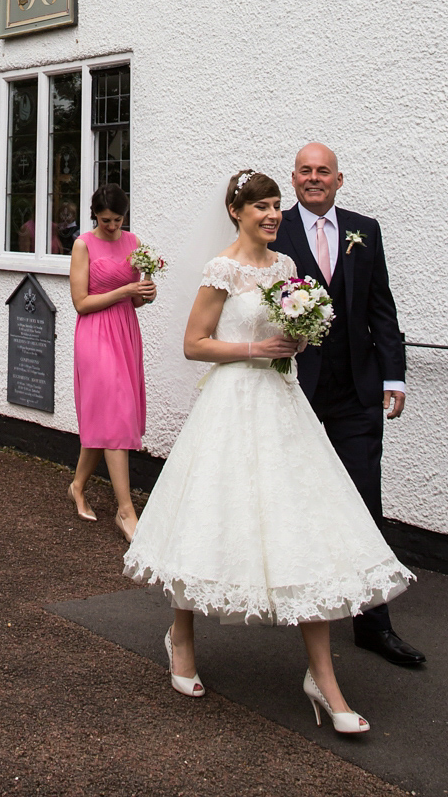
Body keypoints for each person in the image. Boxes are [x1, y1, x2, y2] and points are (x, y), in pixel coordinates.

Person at [123, 169, 411, 736]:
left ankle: (323, 681)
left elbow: (295, 334)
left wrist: (300, 334)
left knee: (306, 530)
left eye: (277, 204)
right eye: (261, 206)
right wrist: (257, 348)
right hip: (232, 404)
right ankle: (181, 636)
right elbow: (193, 344)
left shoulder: (286, 269)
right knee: (207, 519)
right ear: (237, 212)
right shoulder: (221, 269)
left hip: (284, 404)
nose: (273, 214)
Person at [275, 141, 424, 668]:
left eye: (324, 172)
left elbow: (382, 308)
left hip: (356, 392)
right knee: (291, 500)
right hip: (295, 391)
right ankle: (291, 606)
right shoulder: (276, 230)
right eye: (305, 171)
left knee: (364, 504)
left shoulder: (367, 230)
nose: (314, 178)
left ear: (340, 180)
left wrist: (394, 377)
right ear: (293, 179)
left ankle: (373, 624)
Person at [67, 184, 157, 541]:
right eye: (106, 220)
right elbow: (81, 302)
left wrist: (146, 293)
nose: (112, 226)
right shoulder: (82, 245)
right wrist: (125, 292)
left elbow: (136, 301)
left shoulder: (134, 242)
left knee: (107, 413)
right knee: (116, 410)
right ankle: (125, 510)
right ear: (95, 216)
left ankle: (76, 485)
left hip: (124, 331)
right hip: (94, 333)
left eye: (118, 220)